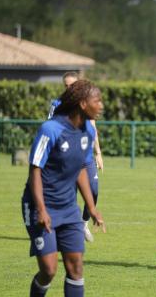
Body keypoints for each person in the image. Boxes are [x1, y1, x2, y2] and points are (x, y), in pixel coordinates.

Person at [22, 79, 106, 296]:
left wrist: (91, 207)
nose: (102, 106)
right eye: (97, 100)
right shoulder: (50, 129)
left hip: (69, 208)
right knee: (49, 270)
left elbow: (80, 170)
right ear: (82, 104)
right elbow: (35, 171)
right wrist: (41, 209)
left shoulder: (87, 131)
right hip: (41, 205)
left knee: (76, 267)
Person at [48, 72, 104, 242]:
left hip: (86, 158)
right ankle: (65, 230)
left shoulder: (87, 104)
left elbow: (92, 127)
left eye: (72, 85)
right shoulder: (57, 105)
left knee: (93, 191)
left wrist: (98, 153)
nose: (69, 88)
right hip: (66, 160)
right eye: (66, 85)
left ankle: (83, 223)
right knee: (68, 195)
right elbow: (51, 128)